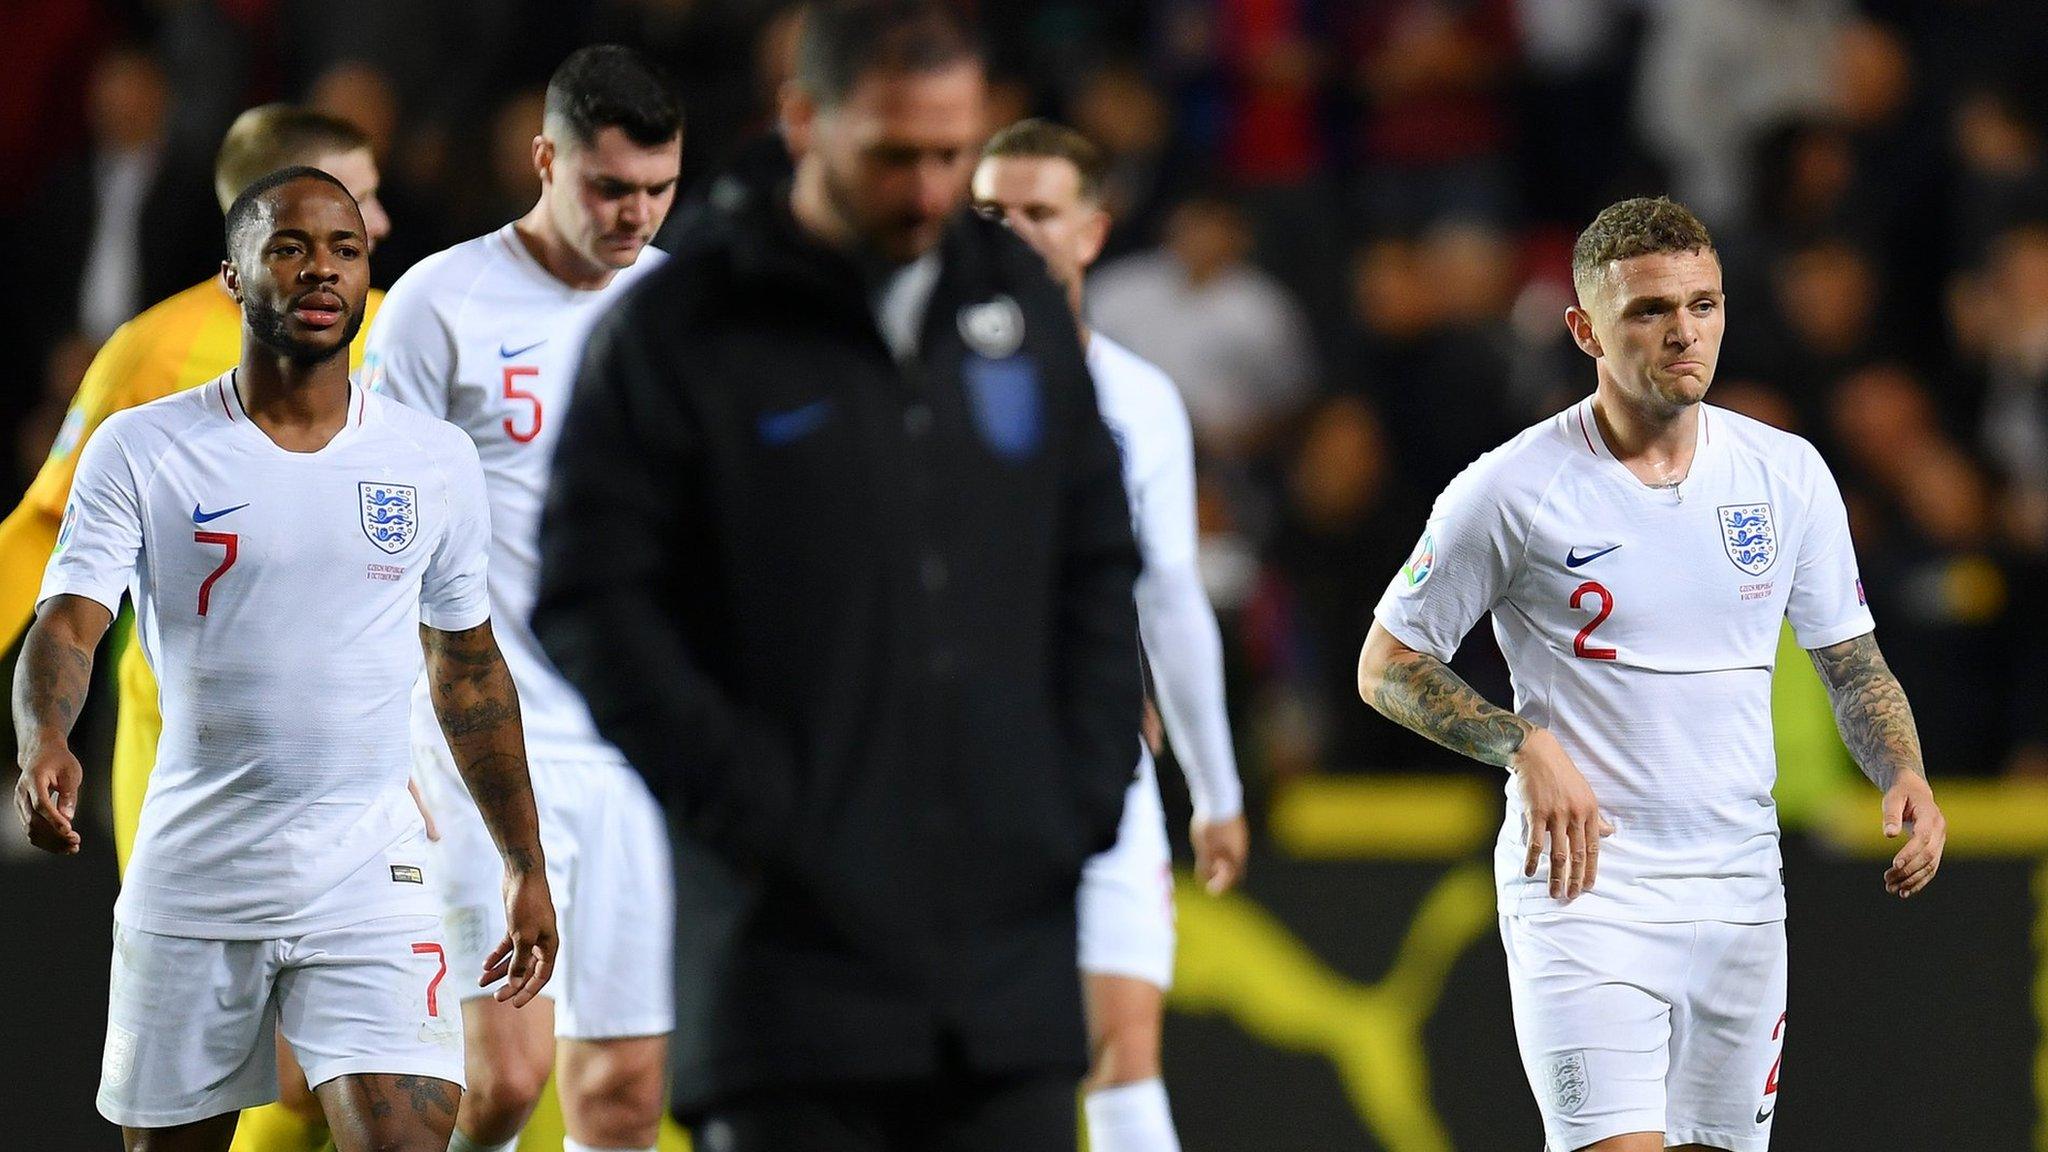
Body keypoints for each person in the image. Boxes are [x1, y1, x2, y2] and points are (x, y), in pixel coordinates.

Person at [531, 3, 1144, 1149]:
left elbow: (1096, 562)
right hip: (786, 987)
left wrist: (1076, 788)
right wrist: (747, 807)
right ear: (803, 119)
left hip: (1004, 984)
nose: (926, 192)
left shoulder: (1012, 306)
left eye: (951, 155)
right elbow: (588, 596)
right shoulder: (687, 327)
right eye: (893, 155)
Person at [1356, 195, 1947, 1152]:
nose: (1684, 333)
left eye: (1703, 305)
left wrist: (1903, 772)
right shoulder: (1511, 488)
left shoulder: (1786, 474)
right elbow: (1386, 666)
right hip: (1588, 894)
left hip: (1741, 892)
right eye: (1649, 312)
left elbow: (1851, 659)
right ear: (1585, 329)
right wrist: (1522, 744)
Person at [11, 167, 557, 1152]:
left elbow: (467, 669)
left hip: (373, 872)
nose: (321, 272)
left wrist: (522, 858)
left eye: (344, 250)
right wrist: (45, 733)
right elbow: (68, 621)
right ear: (233, 276)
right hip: (198, 871)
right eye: (290, 248)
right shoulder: (146, 448)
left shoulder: (431, 459)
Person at [0, 101, 394, 1152]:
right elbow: (43, 535)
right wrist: (39, 730)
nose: (380, 221)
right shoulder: (154, 354)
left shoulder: (404, 335)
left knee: (348, 1064)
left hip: (366, 761)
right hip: (182, 749)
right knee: (239, 1065)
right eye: (353, 198)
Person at [367, 45, 681, 1152]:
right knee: (503, 1081)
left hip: (636, 749)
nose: (633, 213)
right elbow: (370, 534)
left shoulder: (682, 310)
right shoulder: (436, 308)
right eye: (608, 187)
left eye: (657, 188)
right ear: (544, 159)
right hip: (478, 740)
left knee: (623, 1098)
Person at [971, 117, 1247, 1152]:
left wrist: (1214, 790)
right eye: (989, 211)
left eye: (1037, 212)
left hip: (1093, 762)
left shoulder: (1139, 401)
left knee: (1122, 1054)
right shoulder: (906, 377)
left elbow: (1170, 598)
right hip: (950, 766)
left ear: (1089, 232)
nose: (1011, 231)